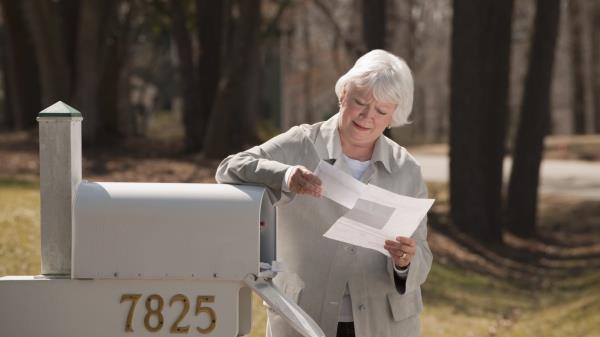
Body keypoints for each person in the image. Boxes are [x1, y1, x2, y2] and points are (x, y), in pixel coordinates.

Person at [215, 49, 432, 337]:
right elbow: (229, 167)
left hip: (385, 324)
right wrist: (286, 175)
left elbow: (422, 255)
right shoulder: (302, 143)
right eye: (359, 102)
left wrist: (405, 261)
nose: (367, 117)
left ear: (393, 117)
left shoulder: (407, 169)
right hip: (304, 317)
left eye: (381, 111)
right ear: (343, 93)